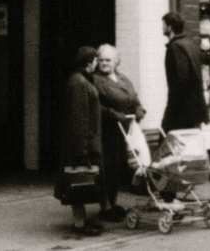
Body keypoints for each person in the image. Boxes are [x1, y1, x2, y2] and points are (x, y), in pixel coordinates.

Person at [161, 12, 210, 202]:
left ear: (169, 26)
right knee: (192, 154)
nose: (162, 28)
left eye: (163, 25)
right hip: (195, 109)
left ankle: (168, 199)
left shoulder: (175, 47)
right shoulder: (191, 44)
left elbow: (180, 81)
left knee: (170, 153)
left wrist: (169, 115)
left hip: (181, 111)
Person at [92, 43, 145, 220]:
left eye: (108, 60)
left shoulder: (123, 79)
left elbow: (134, 98)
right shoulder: (95, 80)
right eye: (101, 60)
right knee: (106, 168)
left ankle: (113, 203)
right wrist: (114, 114)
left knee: (116, 169)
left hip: (125, 131)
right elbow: (97, 105)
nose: (104, 63)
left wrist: (139, 111)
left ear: (116, 62)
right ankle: (105, 206)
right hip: (107, 130)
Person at [59, 46, 106, 236]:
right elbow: (80, 119)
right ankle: (79, 224)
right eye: (95, 60)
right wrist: (82, 151)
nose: (97, 63)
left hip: (82, 142)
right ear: (89, 62)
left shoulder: (81, 80)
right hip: (78, 144)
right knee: (78, 181)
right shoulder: (79, 82)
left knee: (81, 181)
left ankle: (82, 220)